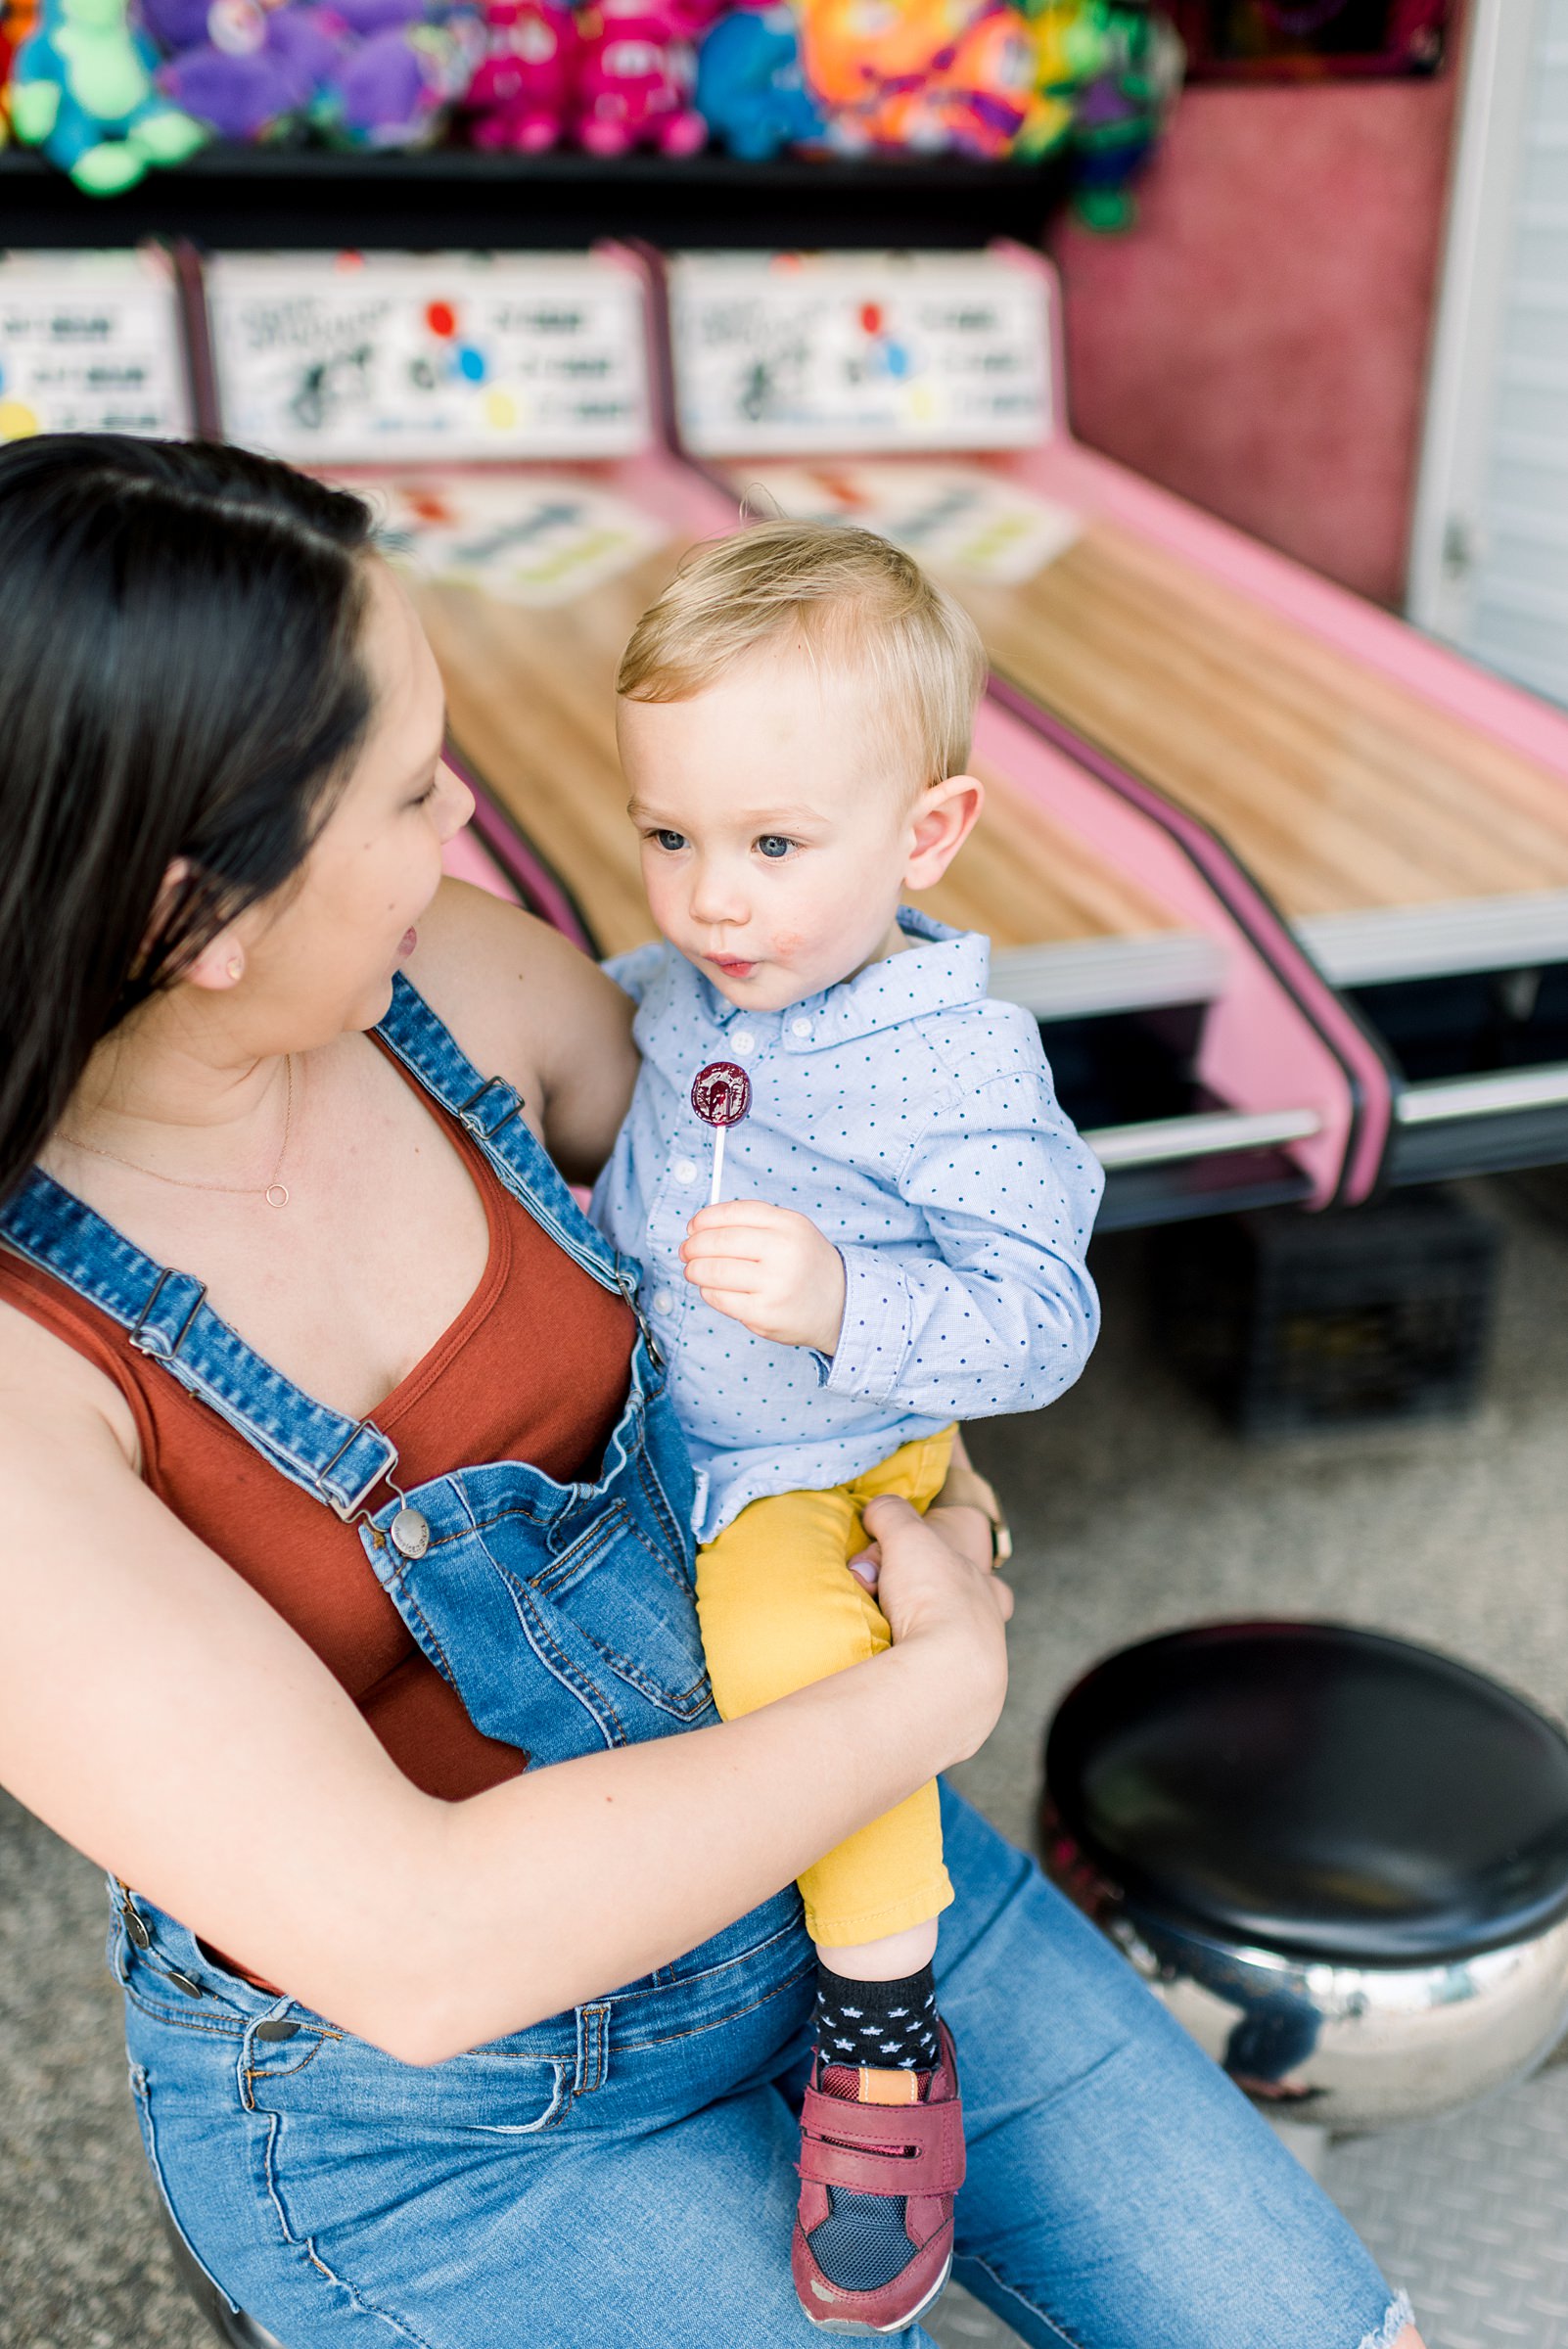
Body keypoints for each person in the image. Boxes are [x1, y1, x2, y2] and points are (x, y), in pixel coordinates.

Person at [0, 434, 1423, 2349]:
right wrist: (932, 1685)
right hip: (469, 2116)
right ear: (200, 913)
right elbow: (417, 1946)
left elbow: (798, 1215)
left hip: (827, 1879)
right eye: (415, 788)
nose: (467, 830)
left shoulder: (463, 993)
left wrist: (915, 1444)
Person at [593, 521, 1101, 2331]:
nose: (711, 898)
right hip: (685, 1442)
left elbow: (1042, 1326)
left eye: (775, 846)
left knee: (799, 1661)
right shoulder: (680, 994)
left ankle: (882, 2039)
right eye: (670, 837)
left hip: (823, 1461)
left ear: (927, 836)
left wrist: (842, 1305)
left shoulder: (954, 1064)